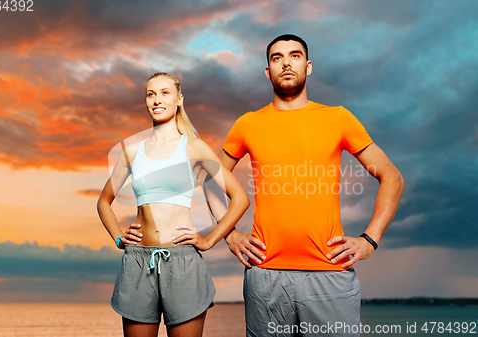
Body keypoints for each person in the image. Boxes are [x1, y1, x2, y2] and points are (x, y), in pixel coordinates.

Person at [217, 34, 405, 336]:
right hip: (265, 277)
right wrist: (230, 236)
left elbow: (392, 177)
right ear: (268, 71)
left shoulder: (338, 118)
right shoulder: (247, 124)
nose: (286, 63)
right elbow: (209, 181)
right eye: (277, 58)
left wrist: (369, 240)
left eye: (294, 55)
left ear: (308, 66)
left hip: (329, 276)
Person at [97, 72, 250, 337]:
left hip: (182, 262)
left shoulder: (194, 147)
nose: (157, 100)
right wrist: (119, 238)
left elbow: (240, 199)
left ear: (179, 100)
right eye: (151, 94)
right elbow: (103, 202)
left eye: (165, 93)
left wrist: (208, 240)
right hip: (137, 263)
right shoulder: (131, 151)